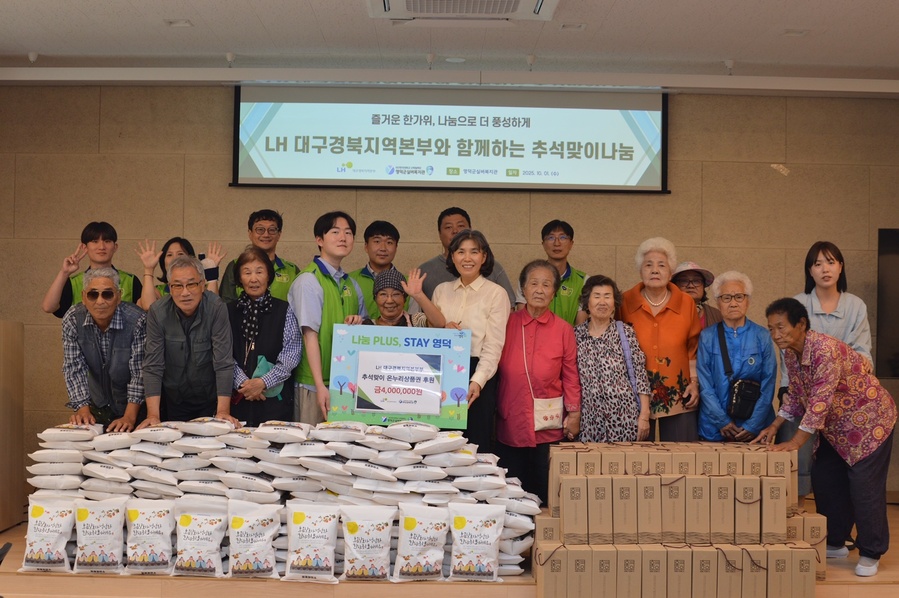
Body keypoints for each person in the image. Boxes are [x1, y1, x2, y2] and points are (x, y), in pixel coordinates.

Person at [754, 297, 896, 578]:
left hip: (869, 422)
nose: (776, 335)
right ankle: (835, 541)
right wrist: (774, 425)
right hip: (834, 428)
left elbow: (819, 402)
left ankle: (871, 550)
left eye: (781, 327)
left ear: (801, 324)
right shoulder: (790, 353)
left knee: (863, 488)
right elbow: (796, 395)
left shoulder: (825, 350)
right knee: (826, 480)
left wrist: (794, 443)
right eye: (771, 329)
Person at [777, 241, 875, 503]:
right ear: (810, 271)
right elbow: (787, 353)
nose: (825, 269)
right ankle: (794, 515)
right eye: (817, 264)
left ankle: (838, 531)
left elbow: (862, 353)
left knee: (843, 464)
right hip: (805, 398)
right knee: (799, 457)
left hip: (846, 401)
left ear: (840, 267)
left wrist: (854, 363)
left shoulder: (856, 306)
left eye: (830, 262)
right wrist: (786, 391)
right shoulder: (797, 303)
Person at [496, 260, 581, 504]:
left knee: (545, 491)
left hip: (549, 427)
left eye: (546, 284)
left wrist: (574, 414)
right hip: (510, 419)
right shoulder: (507, 323)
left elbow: (571, 375)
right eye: (533, 283)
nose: (540, 290)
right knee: (512, 493)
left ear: (554, 292)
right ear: (523, 288)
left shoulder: (564, 330)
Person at [430, 229, 511, 452]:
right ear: (452, 256)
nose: (467, 258)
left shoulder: (496, 294)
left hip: (478, 374)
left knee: (475, 445)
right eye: (460, 252)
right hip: (442, 373)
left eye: (474, 252)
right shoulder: (441, 291)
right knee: (440, 443)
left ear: (484, 257)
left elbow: (494, 345)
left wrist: (477, 381)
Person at [139, 256, 238, 427]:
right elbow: (153, 365)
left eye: (191, 284)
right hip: (174, 399)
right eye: (177, 285)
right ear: (169, 288)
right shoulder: (158, 312)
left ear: (202, 285)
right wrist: (153, 415)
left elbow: (223, 363)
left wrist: (223, 411)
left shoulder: (216, 308)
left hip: (210, 398)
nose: (185, 292)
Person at [288, 211, 367, 425]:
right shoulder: (309, 281)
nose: (343, 237)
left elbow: (365, 330)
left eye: (348, 233)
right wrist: (320, 386)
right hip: (314, 385)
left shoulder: (351, 284)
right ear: (319, 240)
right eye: (335, 232)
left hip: (344, 384)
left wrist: (358, 323)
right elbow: (309, 336)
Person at [619, 237, 701, 441]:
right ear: (640, 271)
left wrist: (694, 382)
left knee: (680, 458)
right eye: (648, 265)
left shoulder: (686, 302)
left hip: (679, 394)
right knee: (636, 463)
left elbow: (693, 347)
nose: (655, 270)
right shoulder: (625, 301)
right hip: (635, 395)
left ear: (670, 272)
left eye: (661, 265)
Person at [61, 267, 146, 432]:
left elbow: (140, 372)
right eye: (93, 295)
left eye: (107, 294)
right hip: (97, 404)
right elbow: (73, 368)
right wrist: (83, 411)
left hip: (135, 408)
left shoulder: (137, 320)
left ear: (119, 296)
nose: (100, 301)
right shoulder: (72, 319)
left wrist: (129, 417)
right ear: (84, 297)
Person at [696, 271, 776, 442]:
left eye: (739, 297)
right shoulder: (707, 337)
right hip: (715, 428)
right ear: (718, 302)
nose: (733, 303)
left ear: (748, 301)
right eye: (726, 298)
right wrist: (721, 421)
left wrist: (753, 425)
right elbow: (705, 385)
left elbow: (768, 383)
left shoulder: (762, 336)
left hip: (755, 428)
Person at [227, 246, 302, 426]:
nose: (254, 278)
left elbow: (291, 355)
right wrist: (244, 385)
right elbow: (222, 354)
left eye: (259, 271)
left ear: (269, 275)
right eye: (247, 272)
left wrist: (262, 382)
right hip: (237, 399)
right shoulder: (227, 311)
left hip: (275, 401)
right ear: (239, 278)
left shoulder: (285, 310)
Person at [575, 275, 651, 442]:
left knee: (625, 467)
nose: (602, 302)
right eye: (597, 296)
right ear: (587, 302)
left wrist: (644, 416)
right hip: (589, 422)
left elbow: (640, 376)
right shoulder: (576, 336)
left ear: (614, 302)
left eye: (607, 296)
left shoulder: (625, 332)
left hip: (625, 420)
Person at [413, 207, 521, 307]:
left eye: (460, 226)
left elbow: (509, 308)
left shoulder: (495, 269)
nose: (455, 231)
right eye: (448, 227)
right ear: (439, 234)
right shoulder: (426, 272)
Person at [42, 221, 142, 318]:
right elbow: (48, 307)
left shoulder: (130, 280)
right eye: (95, 241)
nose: (101, 247)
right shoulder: (74, 282)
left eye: (107, 241)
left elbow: (143, 314)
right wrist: (64, 272)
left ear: (115, 247)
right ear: (85, 247)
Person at [219, 209, 301, 302]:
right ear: (250, 234)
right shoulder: (235, 265)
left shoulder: (292, 270)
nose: (266, 234)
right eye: (260, 229)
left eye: (272, 230)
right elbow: (226, 306)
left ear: (279, 235)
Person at [134, 236, 226, 310]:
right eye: (169, 255)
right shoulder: (157, 290)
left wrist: (211, 274)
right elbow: (148, 307)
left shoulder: (199, 287)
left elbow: (213, 307)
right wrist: (148, 269)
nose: (175, 258)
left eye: (180, 254)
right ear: (163, 262)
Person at [349, 220, 403, 319]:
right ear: (366, 246)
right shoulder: (349, 281)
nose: (383, 248)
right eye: (377, 241)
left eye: (389, 242)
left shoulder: (408, 283)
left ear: (396, 247)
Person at [537, 219, 587, 326]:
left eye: (563, 237)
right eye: (551, 237)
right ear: (543, 244)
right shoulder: (529, 278)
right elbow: (523, 319)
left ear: (571, 244)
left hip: (569, 340)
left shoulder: (584, 281)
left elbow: (580, 327)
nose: (557, 243)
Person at [360, 269, 427, 327]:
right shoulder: (367, 326)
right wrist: (353, 323)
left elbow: (436, 324)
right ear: (375, 299)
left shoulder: (416, 321)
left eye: (396, 294)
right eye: (383, 294)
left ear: (404, 299)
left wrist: (419, 295)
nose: (390, 301)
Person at [672, 261, 723, 329]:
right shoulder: (666, 312)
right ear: (675, 286)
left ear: (703, 286)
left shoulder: (717, 315)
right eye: (684, 281)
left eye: (696, 281)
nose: (691, 285)